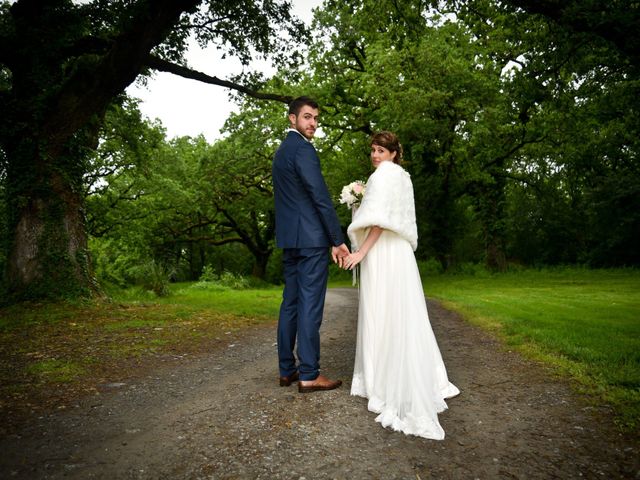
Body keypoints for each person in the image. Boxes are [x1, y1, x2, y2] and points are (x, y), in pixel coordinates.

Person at [343, 131, 459, 439]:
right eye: (373, 150)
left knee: (382, 311)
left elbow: (379, 221)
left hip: (382, 253)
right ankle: (423, 376)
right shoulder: (402, 177)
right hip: (401, 254)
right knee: (403, 313)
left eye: (381, 150)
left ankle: (382, 383)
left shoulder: (383, 176)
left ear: (394, 153)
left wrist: (360, 253)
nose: (375, 155)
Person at [272, 96, 350, 393]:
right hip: (312, 241)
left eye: (316, 118)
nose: (313, 124)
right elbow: (320, 198)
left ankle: (286, 370)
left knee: (290, 303)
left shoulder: (281, 153)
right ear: (292, 118)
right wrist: (337, 239)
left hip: (290, 240)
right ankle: (309, 374)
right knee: (309, 306)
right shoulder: (303, 150)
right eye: (307, 117)